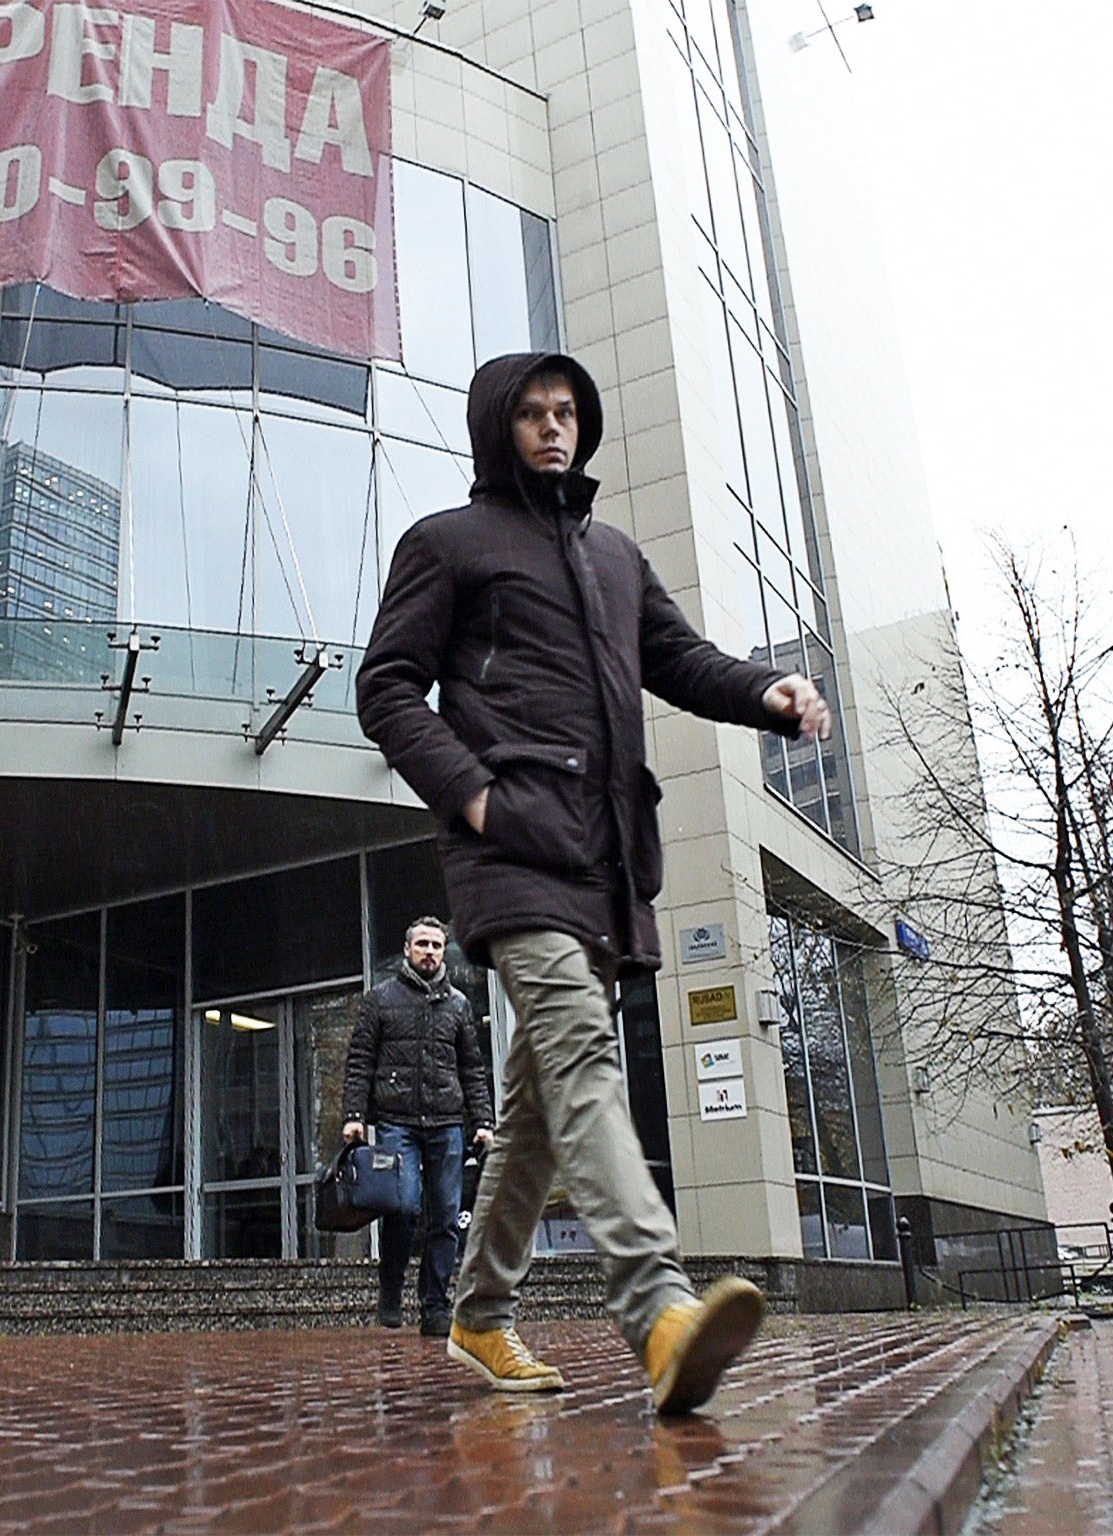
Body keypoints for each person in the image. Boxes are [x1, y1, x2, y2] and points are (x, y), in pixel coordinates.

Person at [356, 351, 833, 1414]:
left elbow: (679, 659)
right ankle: (656, 1311)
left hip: (604, 859)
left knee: (536, 1100)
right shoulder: (447, 545)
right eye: (529, 413)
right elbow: (383, 688)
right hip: (506, 850)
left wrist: (767, 691)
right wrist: (471, 797)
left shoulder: (612, 555)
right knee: (575, 1045)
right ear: (497, 427)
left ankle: (476, 1314)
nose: (551, 428)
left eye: (566, 412)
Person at [341, 916, 493, 1337]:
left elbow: (472, 1070)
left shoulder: (460, 1006)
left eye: (437, 945)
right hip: (396, 1123)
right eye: (422, 944)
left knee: (445, 1217)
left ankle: (435, 1305)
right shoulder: (380, 1000)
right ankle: (391, 1288)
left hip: (447, 1124)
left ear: (445, 952)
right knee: (404, 1208)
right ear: (408, 949)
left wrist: (482, 1122)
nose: (430, 951)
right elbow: (359, 1063)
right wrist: (354, 1116)